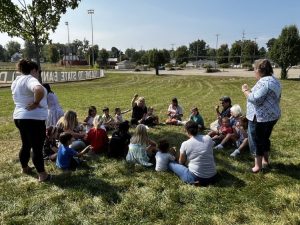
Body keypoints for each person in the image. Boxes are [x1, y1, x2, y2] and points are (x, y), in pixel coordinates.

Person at [11, 59, 50, 182]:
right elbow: (38, 89)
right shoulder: (30, 79)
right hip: (33, 119)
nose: (38, 73)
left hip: (19, 117)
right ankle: (42, 175)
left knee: (26, 144)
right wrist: (36, 103)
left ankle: (24, 168)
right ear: (33, 70)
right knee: (37, 147)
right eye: (38, 71)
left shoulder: (16, 81)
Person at [242, 59, 281, 173]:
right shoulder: (274, 80)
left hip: (260, 118)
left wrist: (245, 90)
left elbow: (255, 99)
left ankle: (257, 166)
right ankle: (265, 161)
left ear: (260, 70)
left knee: (256, 140)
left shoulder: (264, 82)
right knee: (264, 138)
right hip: (272, 116)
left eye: (254, 69)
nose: (254, 71)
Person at [168, 121, 217, 186]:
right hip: (213, 177)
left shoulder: (185, 144)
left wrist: (175, 155)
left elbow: (181, 162)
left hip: (197, 178)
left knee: (171, 164)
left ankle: (192, 181)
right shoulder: (208, 138)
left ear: (186, 131)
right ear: (198, 129)